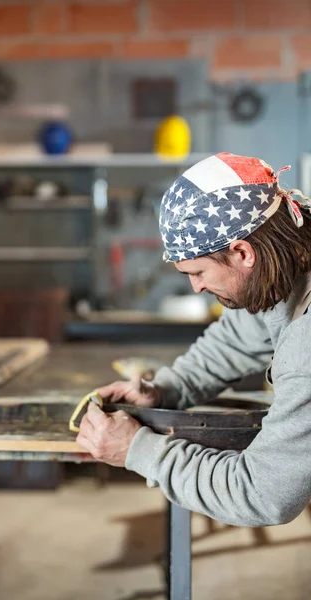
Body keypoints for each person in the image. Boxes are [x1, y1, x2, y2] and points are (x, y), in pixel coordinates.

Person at [77, 152, 311, 527]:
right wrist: (168, 389)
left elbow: (264, 494)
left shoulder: (305, 349)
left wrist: (138, 450)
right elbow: (238, 336)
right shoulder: (292, 250)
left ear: (242, 252)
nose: (196, 286)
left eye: (199, 271)